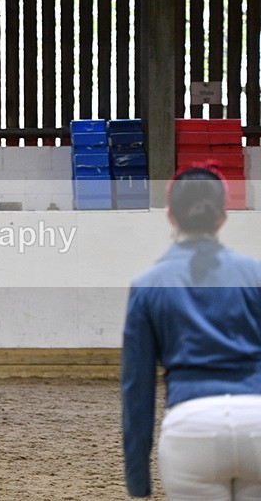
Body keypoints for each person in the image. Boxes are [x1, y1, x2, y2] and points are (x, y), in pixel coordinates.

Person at [121, 166, 261, 499]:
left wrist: (137, 480)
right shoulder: (254, 275)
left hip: (191, 425)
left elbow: (136, 388)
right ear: (222, 217)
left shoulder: (147, 285)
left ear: (171, 216)